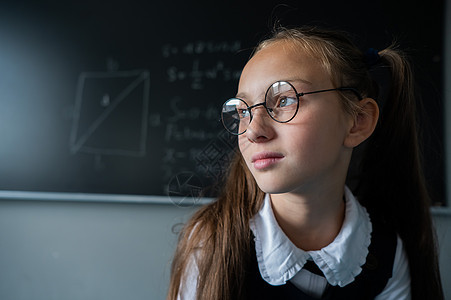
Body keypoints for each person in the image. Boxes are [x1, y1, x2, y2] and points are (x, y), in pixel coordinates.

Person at [167, 26, 444, 300]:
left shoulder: (388, 255)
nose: (253, 130)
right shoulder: (211, 243)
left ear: (357, 121)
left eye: (285, 99)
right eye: (243, 111)